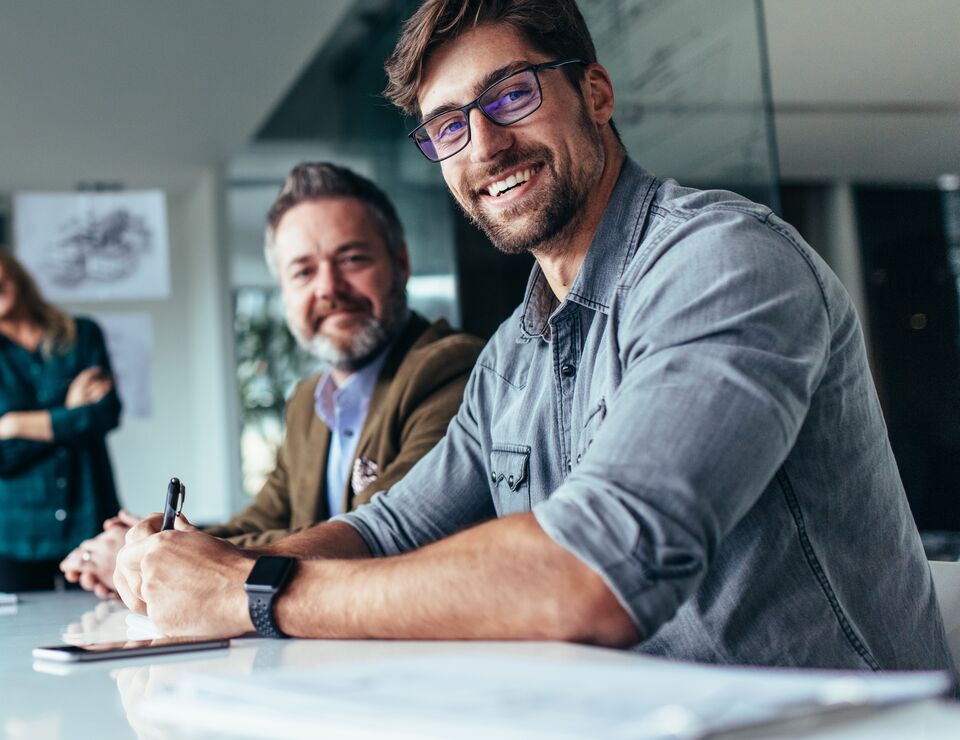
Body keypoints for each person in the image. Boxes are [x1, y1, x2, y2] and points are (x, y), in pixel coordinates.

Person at [114, 0, 956, 676]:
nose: (484, 145)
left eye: (511, 95)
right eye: (448, 126)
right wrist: (203, 572)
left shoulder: (722, 262)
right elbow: (389, 530)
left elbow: (592, 575)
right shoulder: (514, 355)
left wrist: (254, 591)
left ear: (596, 93)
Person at [59, 163, 484, 597]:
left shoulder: (450, 369)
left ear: (401, 262)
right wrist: (154, 546)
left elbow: (378, 533)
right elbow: (262, 520)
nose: (328, 288)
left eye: (352, 259)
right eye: (303, 271)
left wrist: (166, 559)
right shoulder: (308, 401)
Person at [0, 234, 122, 592]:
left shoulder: (83, 335)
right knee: (14, 630)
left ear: (7, 266)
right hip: (13, 538)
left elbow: (105, 415)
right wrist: (69, 412)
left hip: (91, 522)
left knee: (106, 623)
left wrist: (17, 424)